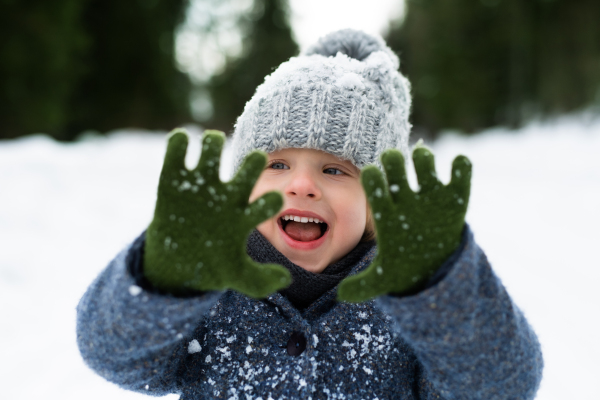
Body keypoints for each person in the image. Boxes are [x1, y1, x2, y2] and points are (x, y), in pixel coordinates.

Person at [77, 29, 543, 399]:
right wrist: (166, 279)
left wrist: (440, 288)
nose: (301, 185)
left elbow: (501, 386)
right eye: (277, 164)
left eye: (335, 169)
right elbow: (113, 355)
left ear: (376, 199)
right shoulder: (211, 285)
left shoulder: (407, 302)